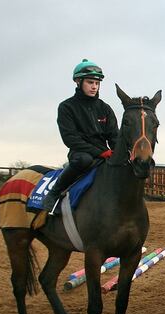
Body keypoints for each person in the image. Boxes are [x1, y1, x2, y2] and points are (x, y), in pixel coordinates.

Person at [43, 59, 119, 215]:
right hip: (80, 153)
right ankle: (54, 194)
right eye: (90, 82)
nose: (94, 87)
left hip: (104, 153)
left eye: (97, 83)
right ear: (78, 82)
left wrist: (120, 152)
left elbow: (114, 136)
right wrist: (100, 152)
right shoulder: (66, 107)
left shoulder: (105, 108)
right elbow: (70, 138)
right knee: (84, 159)